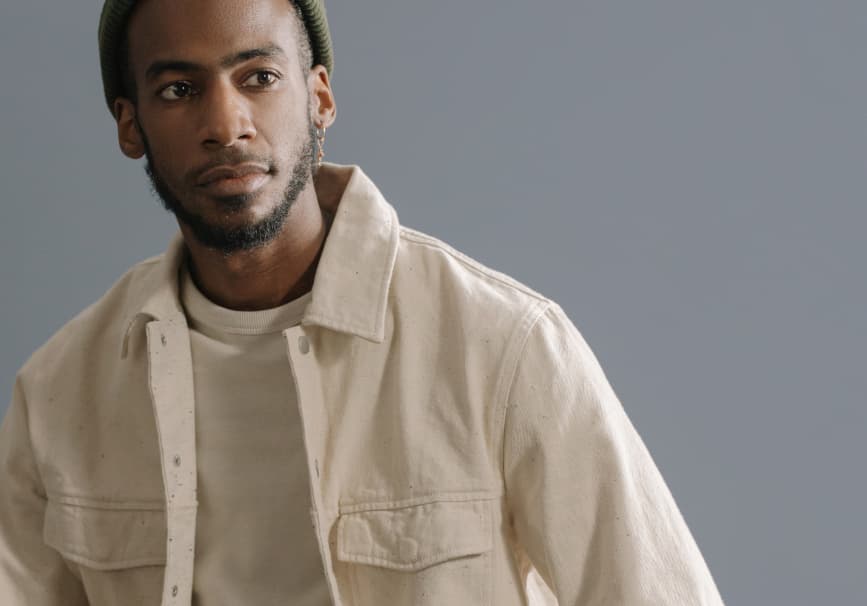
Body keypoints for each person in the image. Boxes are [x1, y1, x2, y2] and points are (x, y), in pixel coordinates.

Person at [0, 0, 726, 604]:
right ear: (130, 125)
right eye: (178, 90)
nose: (226, 124)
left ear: (319, 98)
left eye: (259, 77)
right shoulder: (61, 390)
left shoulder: (502, 344)